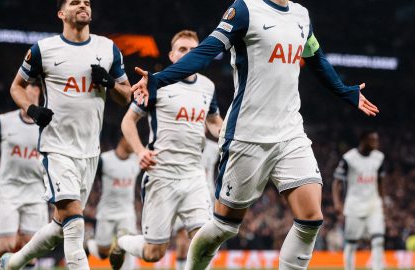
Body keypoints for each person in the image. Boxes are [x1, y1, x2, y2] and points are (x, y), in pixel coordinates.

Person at [130, 0, 379, 269]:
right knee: (224, 228)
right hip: (247, 136)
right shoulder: (245, 10)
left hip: (290, 132)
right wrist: (159, 78)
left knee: (310, 218)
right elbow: (205, 51)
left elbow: (316, 58)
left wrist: (344, 90)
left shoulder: (301, 15)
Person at [0, 0, 131, 269]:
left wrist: (108, 82)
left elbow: (126, 94)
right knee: (75, 221)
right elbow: (17, 87)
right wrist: (32, 109)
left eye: (86, 2)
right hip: (57, 147)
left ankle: (12, 263)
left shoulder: (107, 48)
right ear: (61, 13)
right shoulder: (44, 50)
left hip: (89, 151)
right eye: (75, 2)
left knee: (61, 225)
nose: (83, 5)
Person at [117, 30, 223, 269]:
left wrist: (229, 136)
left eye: (194, 51)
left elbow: (215, 123)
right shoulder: (157, 82)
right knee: (154, 253)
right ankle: (122, 240)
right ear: (172, 55)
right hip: (161, 174)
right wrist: (140, 151)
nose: (188, 54)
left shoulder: (208, 87)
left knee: (204, 241)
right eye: (183, 49)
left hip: (194, 175)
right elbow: (128, 121)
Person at [0, 83, 47, 270]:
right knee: (7, 244)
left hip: (36, 191)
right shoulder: (5, 122)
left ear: (39, 93)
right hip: (9, 189)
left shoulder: (47, 125)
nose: (29, 93)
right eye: (25, 90)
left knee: (32, 249)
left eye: (33, 90)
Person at [333, 130, 385, 270]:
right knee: (351, 243)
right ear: (363, 140)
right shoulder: (349, 158)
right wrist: (337, 203)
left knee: (378, 239)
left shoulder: (379, 157)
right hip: (354, 205)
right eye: (373, 140)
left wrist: (382, 201)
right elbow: (337, 182)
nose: (376, 143)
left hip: (374, 205)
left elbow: (380, 181)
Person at [86, 137, 140, 270]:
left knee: (127, 245)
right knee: (103, 253)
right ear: (123, 140)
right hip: (107, 212)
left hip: (127, 212)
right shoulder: (104, 159)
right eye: (131, 140)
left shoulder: (137, 160)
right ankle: (88, 245)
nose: (135, 143)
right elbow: (90, 177)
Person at [173, 139, 219, 270]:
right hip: (182, 197)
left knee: (204, 239)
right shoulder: (181, 143)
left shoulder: (214, 148)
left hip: (205, 199)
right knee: (182, 242)